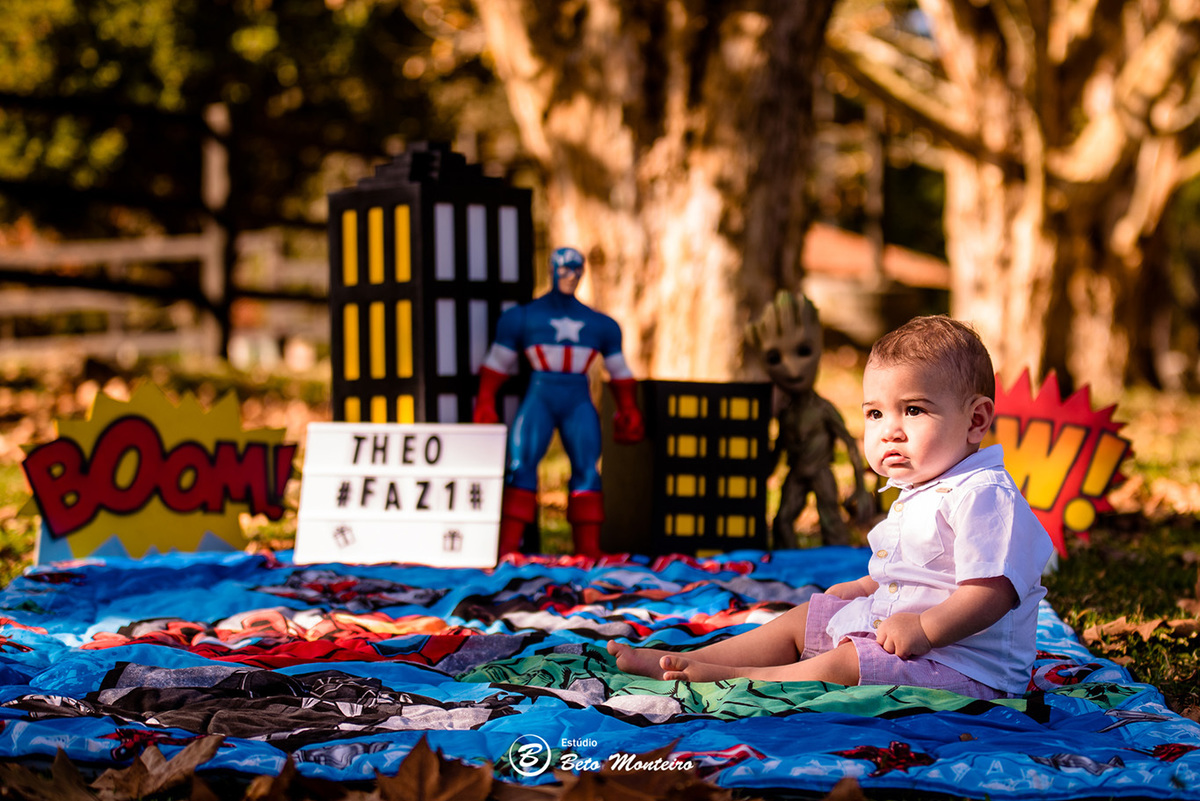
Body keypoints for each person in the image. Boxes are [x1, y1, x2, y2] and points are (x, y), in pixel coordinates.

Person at [608, 315, 1054, 699]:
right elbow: (916, 573)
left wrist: (926, 628)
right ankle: (685, 660)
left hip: (967, 668)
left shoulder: (984, 494)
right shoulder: (924, 484)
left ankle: (741, 679)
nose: (889, 431)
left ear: (976, 419)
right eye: (875, 414)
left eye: (913, 410)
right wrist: (863, 587)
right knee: (807, 618)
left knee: (846, 663)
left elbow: (991, 592)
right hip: (906, 639)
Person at [474, 246, 644, 559]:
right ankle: (508, 548)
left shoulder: (599, 324)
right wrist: (485, 401)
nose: (571, 277)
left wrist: (628, 408)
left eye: (577, 271)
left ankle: (588, 550)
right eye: (565, 270)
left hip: (577, 397)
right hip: (542, 392)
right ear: (553, 270)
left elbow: (620, 372)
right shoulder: (524, 318)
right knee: (521, 465)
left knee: (588, 468)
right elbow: (497, 364)